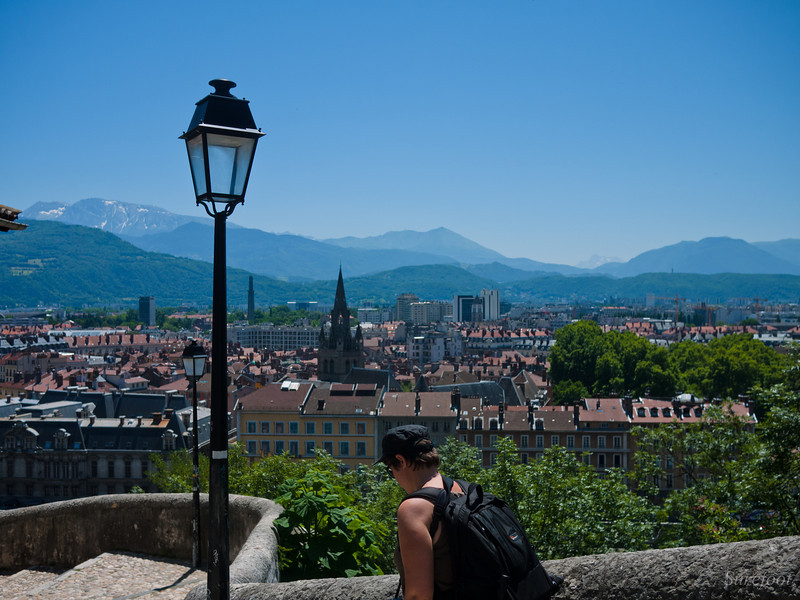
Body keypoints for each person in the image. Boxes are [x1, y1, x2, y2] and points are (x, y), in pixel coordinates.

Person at [376, 424, 465, 600]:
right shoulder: (460, 488)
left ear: (401, 461)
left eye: (390, 470)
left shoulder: (414, 509)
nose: (393, 476)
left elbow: (419, 595)